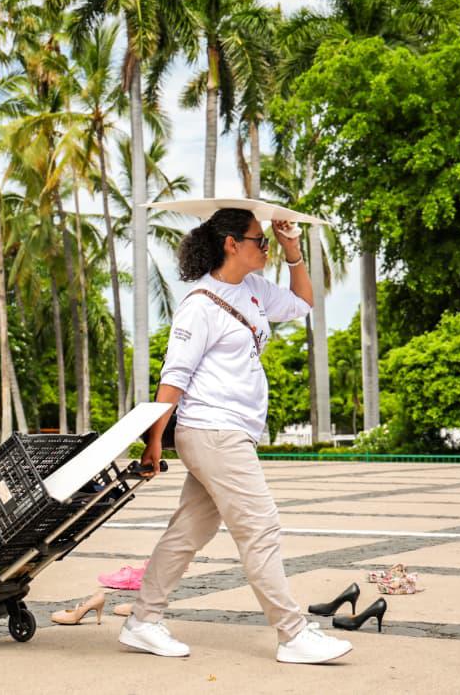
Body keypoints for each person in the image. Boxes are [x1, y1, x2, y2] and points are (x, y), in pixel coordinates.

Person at [120, 208, 353, 665]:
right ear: (231, 243)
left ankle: (142, 621)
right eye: (260, 240)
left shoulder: (251, 289)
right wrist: (153, 440)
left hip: (229, 432)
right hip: (212, 429)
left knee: (188, 530)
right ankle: (292, 634)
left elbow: (302, 304)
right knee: (259, 527)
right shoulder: (200, 304)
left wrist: (292, 251)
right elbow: (175, 377)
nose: (264, 247)